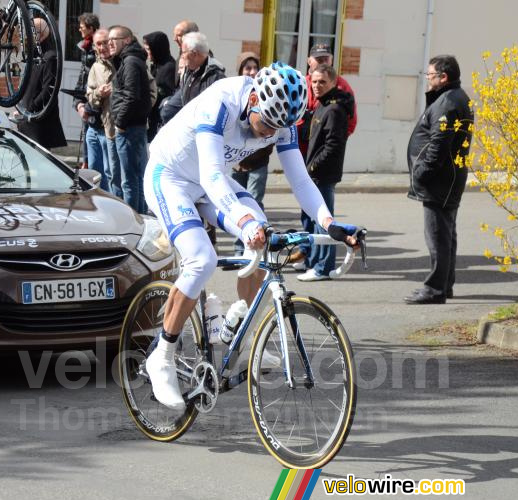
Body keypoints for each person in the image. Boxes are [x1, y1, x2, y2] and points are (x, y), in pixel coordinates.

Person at [142, 62, 361, 410]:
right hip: (171, 178)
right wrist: (244, 222)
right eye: (265, 124)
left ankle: (241, 339)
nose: (268, 134)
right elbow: (213, 175)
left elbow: (301, 180)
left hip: (207, 184)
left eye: (277, 128)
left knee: (264, 235)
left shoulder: (281, 120)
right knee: (202, 258)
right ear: (254, 99)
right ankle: (162, 356)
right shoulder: (221, 103)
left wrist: (329, 223)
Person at [404, 55, 473, 304]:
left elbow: (438, 146)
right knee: (446, 234)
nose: (428, 78)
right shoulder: (452, 97)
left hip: (440, 181)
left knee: (437, 236)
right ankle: (445, 284)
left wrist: (422, 172)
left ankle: (435, 289)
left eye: (430, 75)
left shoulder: (447, 103)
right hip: (448, 178)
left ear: (443, 77)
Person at [291, 43, 358, 268]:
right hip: (305, 158)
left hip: (319, 167)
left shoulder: (336, 104)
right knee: (309, 215)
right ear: (309, 62)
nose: (317, 85)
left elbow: (337, 138)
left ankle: (323, 265)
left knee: (323, 218)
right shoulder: (309, 89)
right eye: (317, 59)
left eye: (325, 58)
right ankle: (310, 257)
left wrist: (314, 163)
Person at [231, 52, 272, 255]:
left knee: (253, 202)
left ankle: (254, 248)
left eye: (255, 67)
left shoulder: (267, 95)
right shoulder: (235, 98)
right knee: (236, 205)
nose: (252, 71)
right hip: (237, 163)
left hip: (259, 162)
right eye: (247, 68)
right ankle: (240, 247)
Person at [109, 26, 151, 214]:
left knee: (130, 182)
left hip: (129, 129)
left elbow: (131, 95)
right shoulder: (129, 60)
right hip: (133, 127)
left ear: (126, 40)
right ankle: (140, 220)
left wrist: (120, 123)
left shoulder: (131, 61)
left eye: (114, 39)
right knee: (136, 180)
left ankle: (134, 224)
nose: (110, 43)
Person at [16, 18, 67, 149]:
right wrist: (20, 107)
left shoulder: (50, 57)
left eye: (32, 32)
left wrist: (29, 109)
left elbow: (48, 90)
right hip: (27, 119)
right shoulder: (33, 56)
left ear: (42, 34)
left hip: (39, 123)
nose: (28, 36)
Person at [159, 32, 225, 124]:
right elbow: (175, 106)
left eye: (184, 52)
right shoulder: (189, 72)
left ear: (194, 54)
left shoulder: (216, 78)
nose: (182, 56)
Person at [85, 28, 116, 193]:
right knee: (93, 176)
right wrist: (98, 93)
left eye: (105, 42)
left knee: (110, 174)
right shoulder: (95, 66)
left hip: (111, 129)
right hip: (93, 128)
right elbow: (89, 96)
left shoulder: (120, 63)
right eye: (99, 44)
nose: (103, 47)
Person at [73, 13, 99, 167]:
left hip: (93, 95)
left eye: (82, 27)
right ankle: (86, 161)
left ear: (91, 28)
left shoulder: (97, 47)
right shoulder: (85, 46)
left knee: (90, 130)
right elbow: (83, 72)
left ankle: (88, 163)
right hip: (84, 93)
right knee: (85, 127)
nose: (79, 30)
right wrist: (77, 99)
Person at [143, 31, 176, 142]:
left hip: (160, 122)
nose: (146, 53)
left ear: (157, 49)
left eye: (148, 49)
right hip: (152, 120)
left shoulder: (169, 68)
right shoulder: (157, 65)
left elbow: (164, 94)